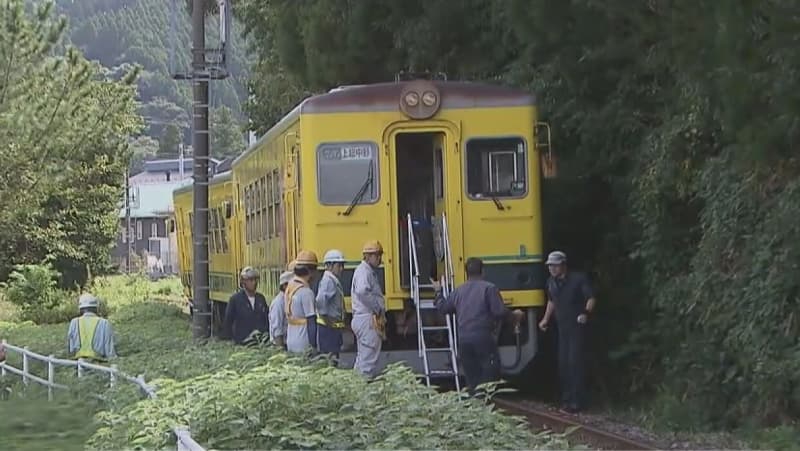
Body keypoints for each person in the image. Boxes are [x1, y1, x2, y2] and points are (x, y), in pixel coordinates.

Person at [432, 257, 525, 395]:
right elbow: (499, 312)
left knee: (472, 379)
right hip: (483, 338)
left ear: (466, 273)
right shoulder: (489, 288)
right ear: (483, 271)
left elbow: (444, 308)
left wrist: (438, 292)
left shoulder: (459, 291)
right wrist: (515, 316)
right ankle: (486, 405)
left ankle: (475, 408)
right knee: (489, 376)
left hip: (464, 340)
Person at [538, 251, 596, 414]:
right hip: (561, 327)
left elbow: (590, 298)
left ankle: (578, 401)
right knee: (563, 363)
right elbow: (552, 301)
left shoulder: (578, 279)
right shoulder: (551, 282)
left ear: (563, 265)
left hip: (577, 326)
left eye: (555, 265)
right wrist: (545, 319)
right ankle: (567, 399)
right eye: (550, 266)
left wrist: (585, 313)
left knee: (575, 362)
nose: (552, 269)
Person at [351, 240, 386, 378]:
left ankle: (355, 388)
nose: (379, 259)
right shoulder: (364, 272)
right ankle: (362, 393)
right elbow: (362, 291)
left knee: (362, 359)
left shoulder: (366, 271)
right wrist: (377, 308)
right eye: (376, 255)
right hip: (367, 319)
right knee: (368, 362)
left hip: (363, 319)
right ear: (367, 256)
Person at [223, 267, 269, 345]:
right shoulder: (235, 299)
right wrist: (229, 339)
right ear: (243, 282)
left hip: (259, 342)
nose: (254, 283)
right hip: (242, 342)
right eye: (251, 280)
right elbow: (228, 321)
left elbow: (266, 319)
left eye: (255, 280)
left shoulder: (261, 299)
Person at [315, 249, 347, 364]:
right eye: (339, 265)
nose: (341, 269)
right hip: (329, 329)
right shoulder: (328, 281)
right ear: (329, 265)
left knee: (333, 358)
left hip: (332, 327)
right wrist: (327, 319)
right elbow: (320, 301)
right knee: (330, 359)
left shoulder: (331, 280)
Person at [285, 250, 319, 354]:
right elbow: (311, 321)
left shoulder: (290, 287)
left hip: (291, 338)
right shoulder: (306, 292)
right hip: (303, 341)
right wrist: (313, 346)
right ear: (310, 271)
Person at [67, 294, 116, 361]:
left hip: (78, 363)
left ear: (81, 309)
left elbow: (71, 349)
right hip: (98, 364)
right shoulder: (104, 323)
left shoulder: (74, 322)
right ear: (96, 308)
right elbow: (110, 352)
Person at [269, 270, 294, 348]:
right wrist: (280, 350)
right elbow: (277, 330)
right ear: (284, 285)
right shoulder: (278, 303)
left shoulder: (289, 299)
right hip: (281, 344)